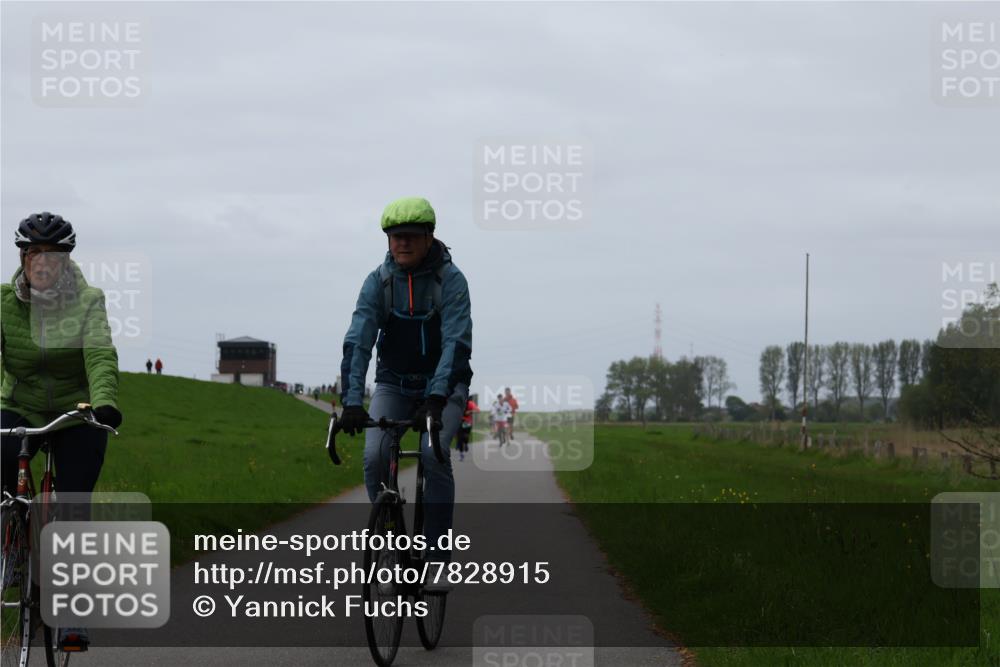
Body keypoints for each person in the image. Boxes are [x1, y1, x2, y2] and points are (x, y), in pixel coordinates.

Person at [1, 212, 123, 652]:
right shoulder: (3, 302)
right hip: (19, 404)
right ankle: (13, 548)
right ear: (23, 257)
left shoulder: (88, 300)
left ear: (66, 260)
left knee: (72, 502)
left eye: (52, 254)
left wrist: (104, 402)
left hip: (77, 410)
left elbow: (100, 353)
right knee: (2, 473)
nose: (42, 262)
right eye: (34, 252)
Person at [338, 197, 472, 570]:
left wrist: (436, 398)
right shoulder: (378, 282)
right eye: (395, 236)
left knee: (433, 455)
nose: (402, 242)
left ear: (429, 237)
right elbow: (358, 342)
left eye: (411, 235)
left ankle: (437, 558)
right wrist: (352, 402)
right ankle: (390, 539)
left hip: (444, 387)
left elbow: (456, 343)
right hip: (393, 384)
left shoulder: (451, 281)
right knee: (375, 457)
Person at [455, 397, 479, 461]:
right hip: (459, 421)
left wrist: (470, 411)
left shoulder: (470, 403)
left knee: (465, 436)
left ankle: (466, 443)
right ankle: (461, 454)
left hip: (467, 422)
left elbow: (477, 410)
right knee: (459, 437)